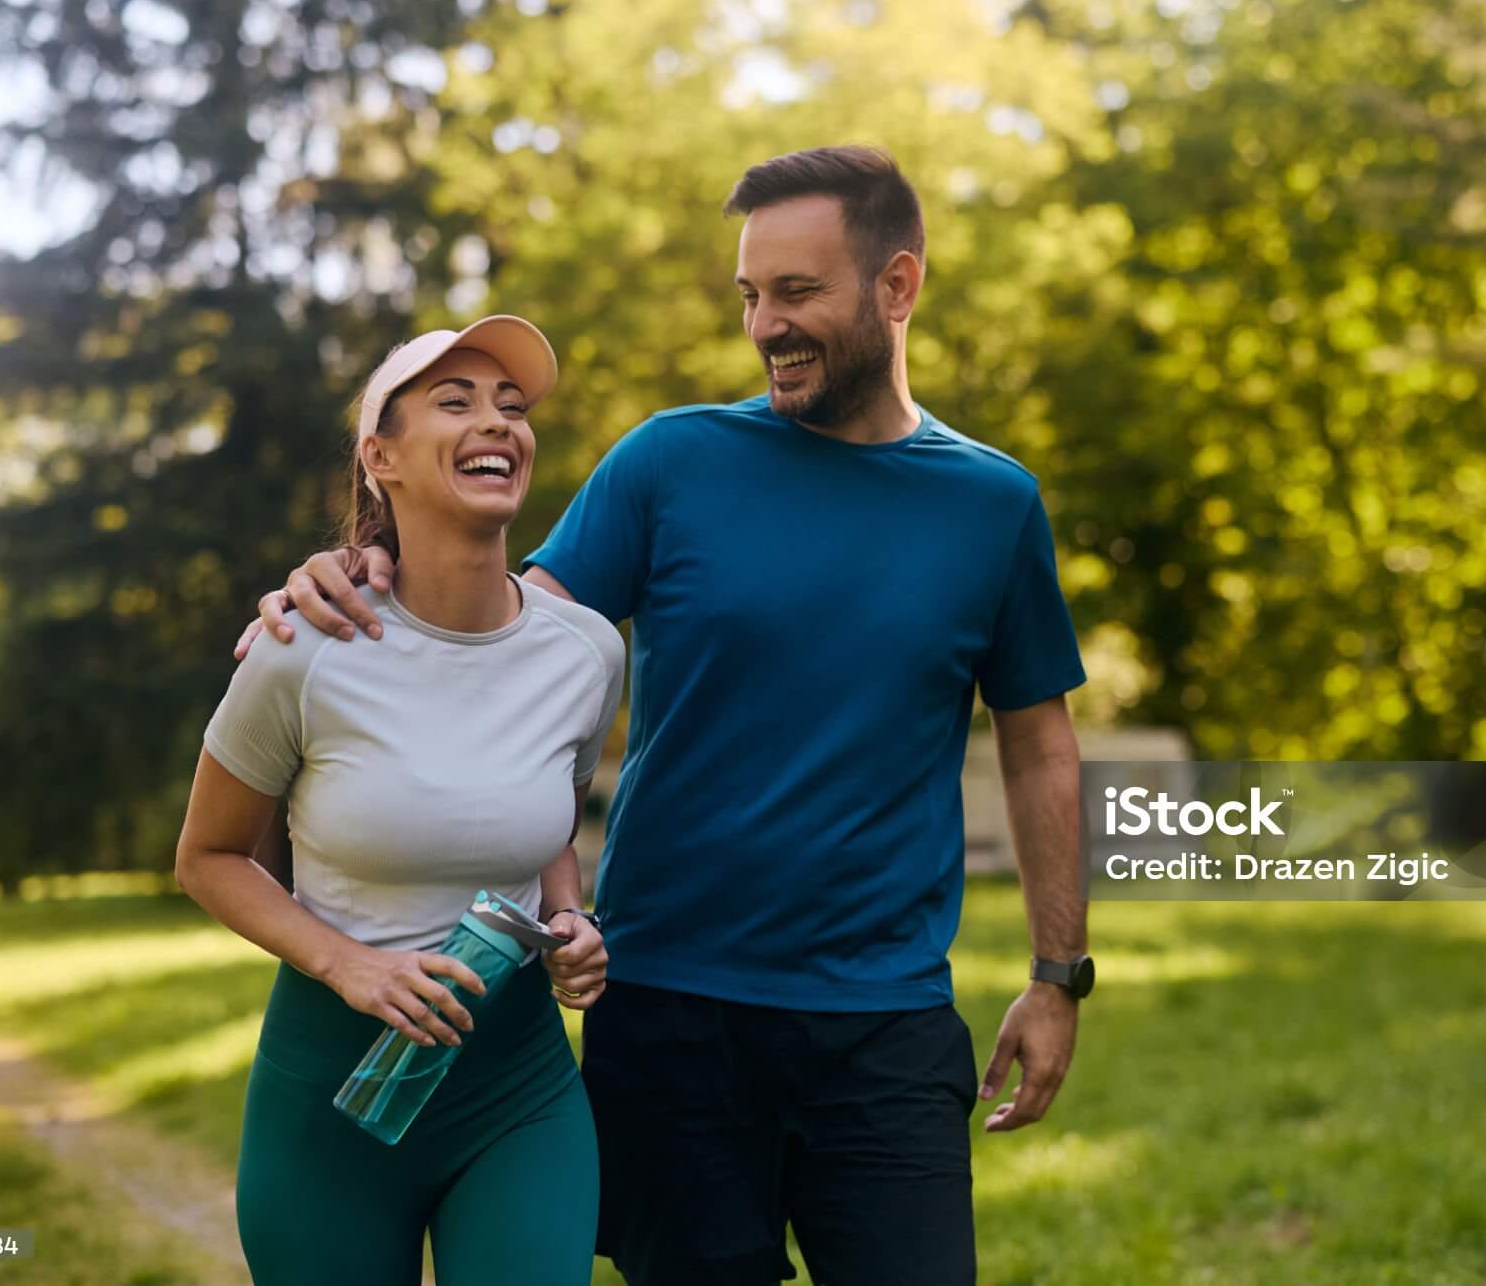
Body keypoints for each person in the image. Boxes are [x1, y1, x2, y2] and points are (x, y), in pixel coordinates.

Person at [238, 147, 1093, 1286]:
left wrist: (1056, 974)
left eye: (797, 293)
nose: (765, 325)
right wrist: (352, 570)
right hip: (672, 1017)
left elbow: (1038, 747)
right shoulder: (671, 463)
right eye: (750, 295)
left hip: (884, 1025)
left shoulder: (992, 505)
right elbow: (490, 645)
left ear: (896, 288)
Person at [178, 315, 624, 1286]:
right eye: (456, 403)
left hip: (516, 1091)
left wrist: (568, 918)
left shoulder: (586, 652)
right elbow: (207, 859)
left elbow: (545, 812)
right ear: (381, 456)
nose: (496, 422)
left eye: (511, 406)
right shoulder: (304, 650)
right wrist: (351, 968)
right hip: (329, 1095)